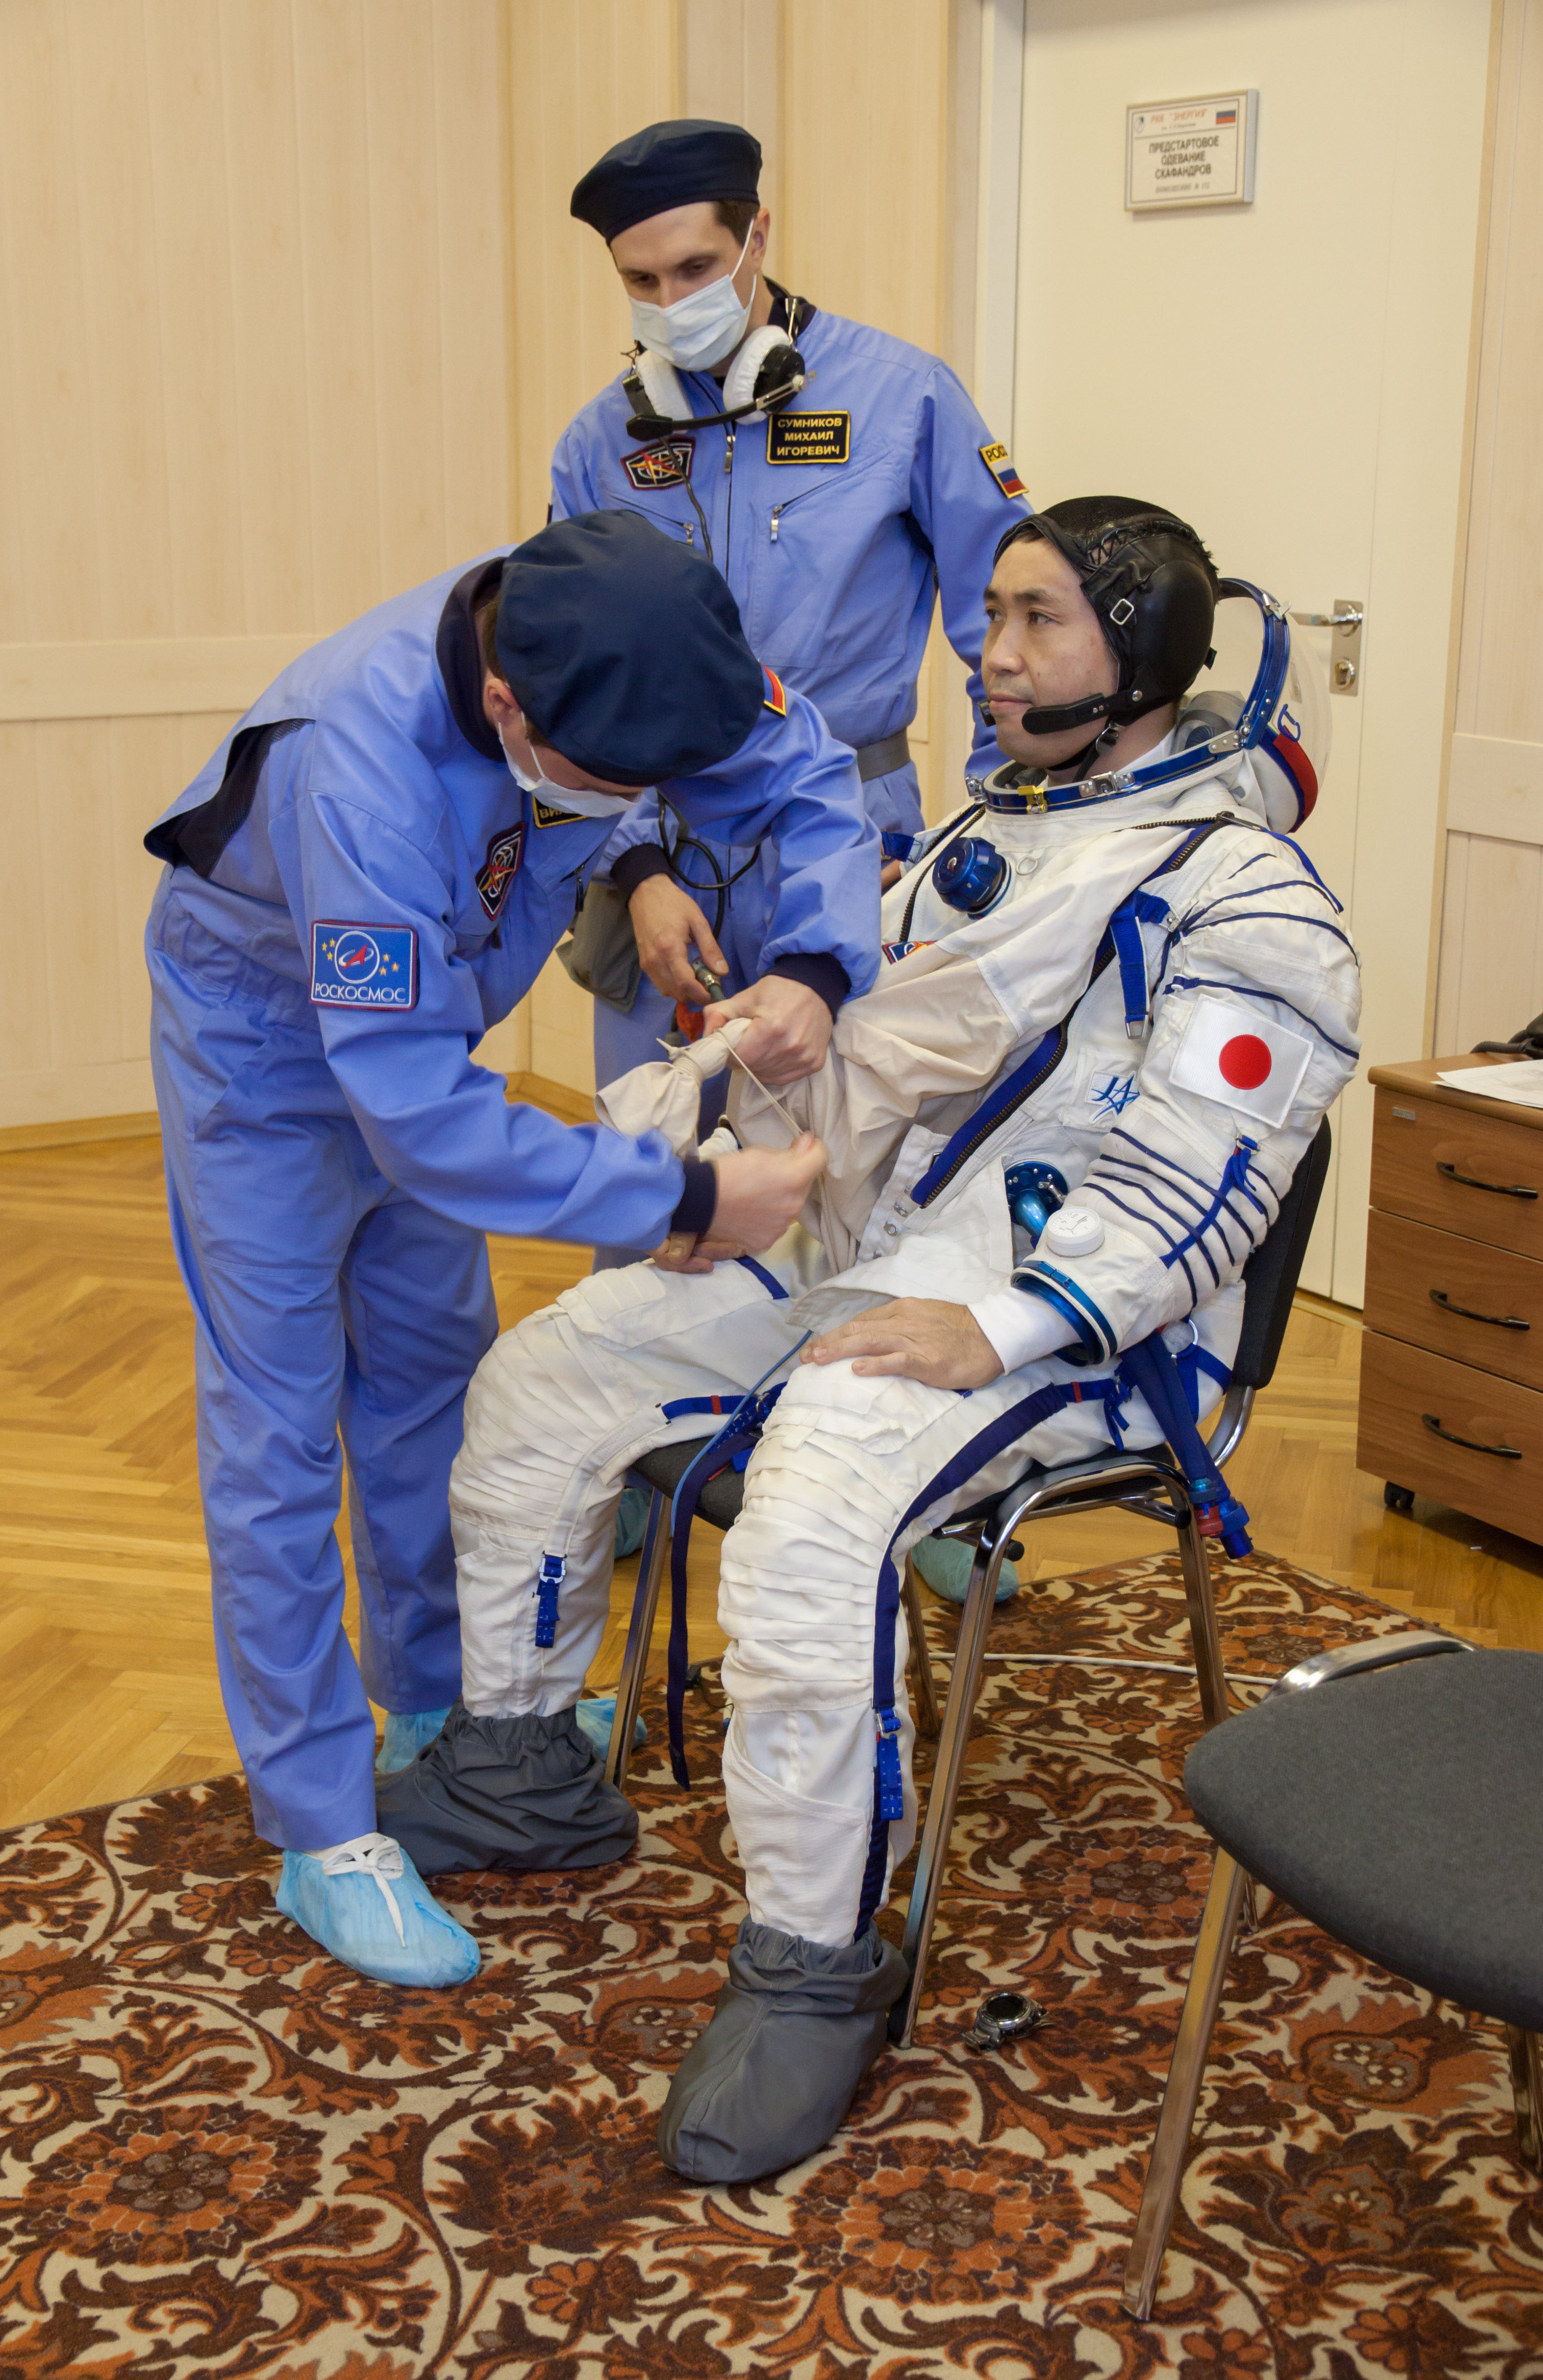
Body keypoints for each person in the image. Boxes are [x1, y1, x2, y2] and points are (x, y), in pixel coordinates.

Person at [377, 495, 1359, 2173]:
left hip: (1077, 1337)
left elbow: (1205, 1179)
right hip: (868, 1250)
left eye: (1039, 621)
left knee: (814, 1501)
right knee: (546, 1380)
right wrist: (785, 1037)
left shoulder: (1247, 899)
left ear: (1142, 662)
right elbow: (896, 1056)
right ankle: (525, 1760)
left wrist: (1002, 1322)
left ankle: (818, 1965)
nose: (989, 652)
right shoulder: (996, 835)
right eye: (989, 614)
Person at [143, 510, 874, 1988]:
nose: (640, 804)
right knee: (280, 1425)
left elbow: (811, 780)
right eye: (620, 791)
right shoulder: (361, 762)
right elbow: (410, 1112)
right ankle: (319, 1824)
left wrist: (816, 960)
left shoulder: (646, 628)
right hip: (265, 1050)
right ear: (503, 709)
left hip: (431, 1039)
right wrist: (680, 1201)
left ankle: (434, 1710)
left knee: (427, 1379)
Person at [553, 117, 1032, 1266]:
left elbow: (1008, 630)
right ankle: (655, 1439)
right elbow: (572, 684)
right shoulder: (599, 445)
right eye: (641, 281)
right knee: (655, 1203)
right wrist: (635, 866)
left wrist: (979, 841)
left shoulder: (904, 399)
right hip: (662, 878)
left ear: (758, 234)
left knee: (854, 1199)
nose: (672, 300)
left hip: (858, 849)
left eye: (697, 269)